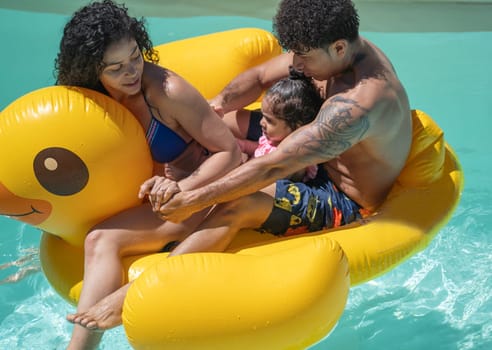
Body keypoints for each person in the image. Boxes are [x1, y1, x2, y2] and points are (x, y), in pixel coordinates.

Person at [65, 0, 413, 338]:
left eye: (303, 57)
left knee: (242, 200)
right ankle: (168, 213)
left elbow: (273, 168)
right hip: (313, 153)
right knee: (223, 125)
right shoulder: (334, 51)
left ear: (338, 48)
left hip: (340, 196)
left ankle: (129, 295)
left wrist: (194, 198)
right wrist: (213, 108)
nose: (298, 65)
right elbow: (261, 76)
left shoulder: (358, 105)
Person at [54, 1, 241, 349]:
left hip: (196, 193)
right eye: (116, 67)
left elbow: (230, 153)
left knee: (99, 239)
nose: (132, 72)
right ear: (92, 69)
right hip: (149, 192)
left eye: (136, 57)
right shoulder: (87, 98)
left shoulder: (166, 92)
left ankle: (79, 346)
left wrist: (180, 187)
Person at [224, 66, 323, 182]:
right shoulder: (274, 138)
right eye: (262, 116)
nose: (261, 122)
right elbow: (260, 147)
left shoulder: (293, 161)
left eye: (269, 120)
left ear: (296, 127)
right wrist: (244, 145)